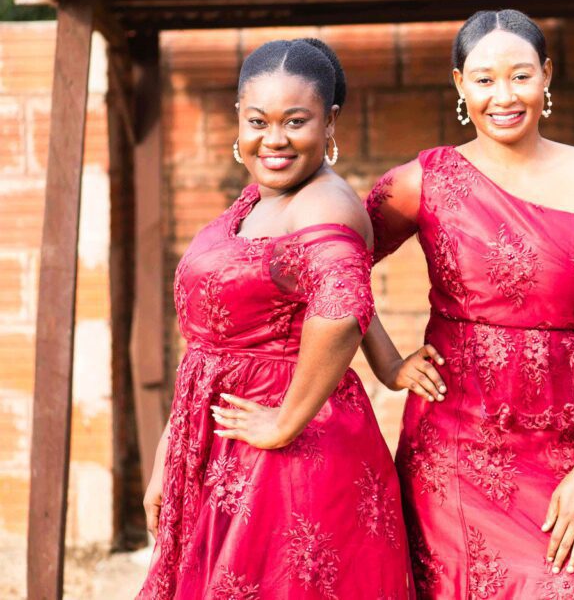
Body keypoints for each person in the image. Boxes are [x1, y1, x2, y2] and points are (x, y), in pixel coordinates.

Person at [362, 9, 574, 599]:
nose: (504, 96)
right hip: (452, 448)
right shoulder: (424, 180)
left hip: (571, 448)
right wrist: (387, 363)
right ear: (459, 84)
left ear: (546, 75)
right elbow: (331, 269)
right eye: (484, 79)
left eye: (521, 76)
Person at [137, 38, 412, 599]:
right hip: (228, 444)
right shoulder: (258, 200)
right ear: (239, 118)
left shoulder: (323, 203)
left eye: (296, 121)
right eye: (258, 121)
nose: (275, 139)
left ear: (329, 122)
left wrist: (285, 422)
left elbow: (343, 310)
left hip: (287, 457)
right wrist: (171, 449)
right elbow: (211, 345)